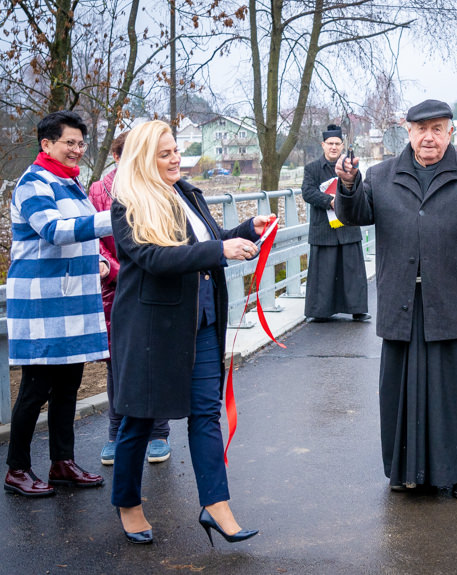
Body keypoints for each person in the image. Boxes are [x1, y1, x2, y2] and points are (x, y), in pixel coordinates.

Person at [334, 99, 457, 498]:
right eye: (422, 128)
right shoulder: (382, 175)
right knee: (400, 388)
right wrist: (348, 186)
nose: (429, 136)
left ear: (451, 132)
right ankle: (405, 470)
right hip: (401, 299)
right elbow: (354, 214)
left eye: (438, 128)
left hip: (454, 299)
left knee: (456, 390)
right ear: (408, 131)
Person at [110, 120, 268, 544]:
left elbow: (209, 242)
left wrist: (244, 231)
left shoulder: (188, 193)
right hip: (151, 331)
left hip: (200, 324)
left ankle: (216, 505)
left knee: (205, 416)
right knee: (139, 422)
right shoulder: (129, 202)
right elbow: (154, 258)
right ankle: (128, 504)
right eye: (164, 154)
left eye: (176, 150)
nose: (176, 158)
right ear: (145, 158)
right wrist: (220, 249)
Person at [5, 110, 110, 497]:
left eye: (81, 143)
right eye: (70, 143)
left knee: (68, 385)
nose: (77, 150)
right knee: (36, 387)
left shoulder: (70, 183)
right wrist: (117, 217)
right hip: (41, 303)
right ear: (46, 144)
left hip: (72, 301)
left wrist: (98, 261)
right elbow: (54, 230)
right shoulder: (33, 183)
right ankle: (17, 469)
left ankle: (62, 463)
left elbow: (81, 237)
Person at [89, 132, 172, 466]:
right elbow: (92, 234)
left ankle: (159, 432)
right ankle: (115, 431)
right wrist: (110, 268)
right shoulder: (100, 189)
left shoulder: (157, 185)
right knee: (118, 361)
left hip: (153, 281)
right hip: (116, 286)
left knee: (156, 355)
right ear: (117, 155)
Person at [301, 124, 370, 323]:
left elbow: (360, 189)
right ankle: (320, 311)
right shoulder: (312, 168)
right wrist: (329, 201)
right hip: (323, 228)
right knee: (323, 272)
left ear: (342, 145)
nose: (333, 147)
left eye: (337, 144)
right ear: (323, 145)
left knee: (352, 271)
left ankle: (358, 309)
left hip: (347, 227)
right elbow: (308, 192)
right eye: (330, 143)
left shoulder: (350, 168)